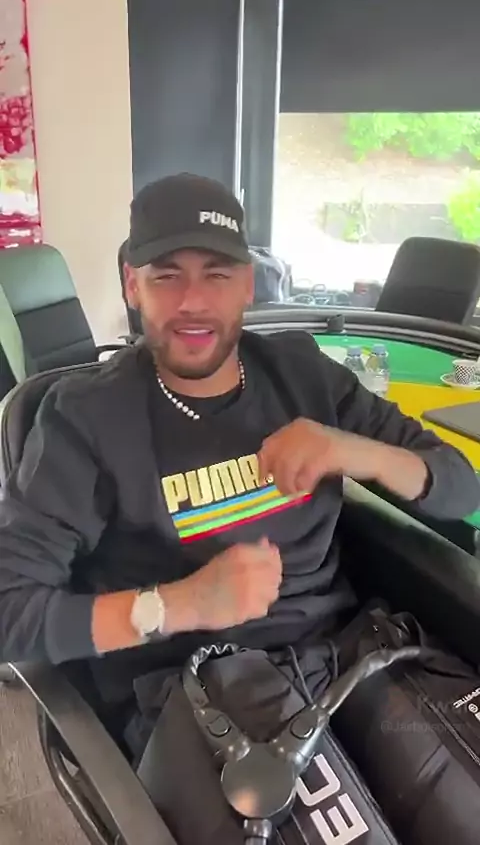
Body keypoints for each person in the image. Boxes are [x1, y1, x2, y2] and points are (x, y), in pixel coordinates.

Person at [0, 172, 478, 755]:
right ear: (131, 285)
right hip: (199, 699)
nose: (193, 302)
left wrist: (351, 449)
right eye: (166, 275)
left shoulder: (303, 375)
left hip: (347, 662)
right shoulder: (84, 419)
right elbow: (9, 612)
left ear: (248, 284)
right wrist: (178, 604)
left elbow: (461, 486)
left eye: (217, 274)